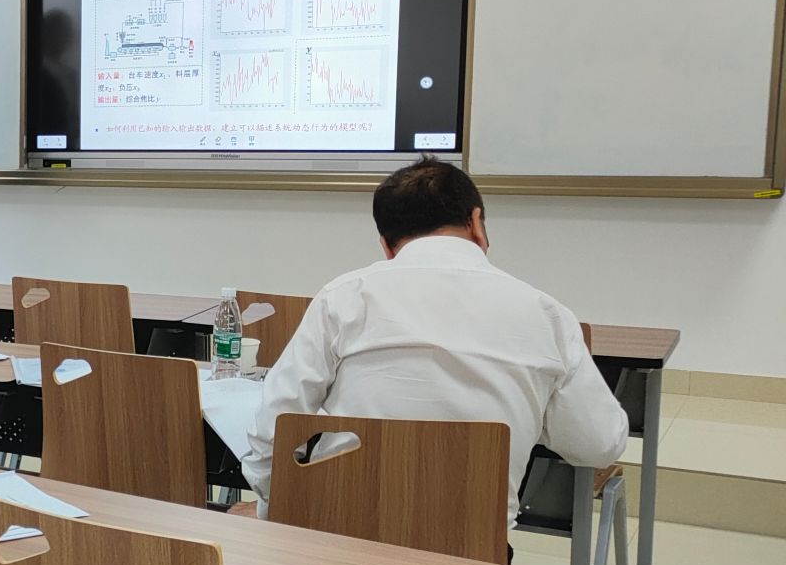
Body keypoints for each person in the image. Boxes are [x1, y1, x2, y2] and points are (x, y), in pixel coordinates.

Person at [242, 158, 628, 521]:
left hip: (338, 541)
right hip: (472, 557)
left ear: (387, 245)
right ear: (476, 223)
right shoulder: (547, 314)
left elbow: (273, 427)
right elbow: (599, 443)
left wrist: (275, 508)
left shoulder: (345, 297)